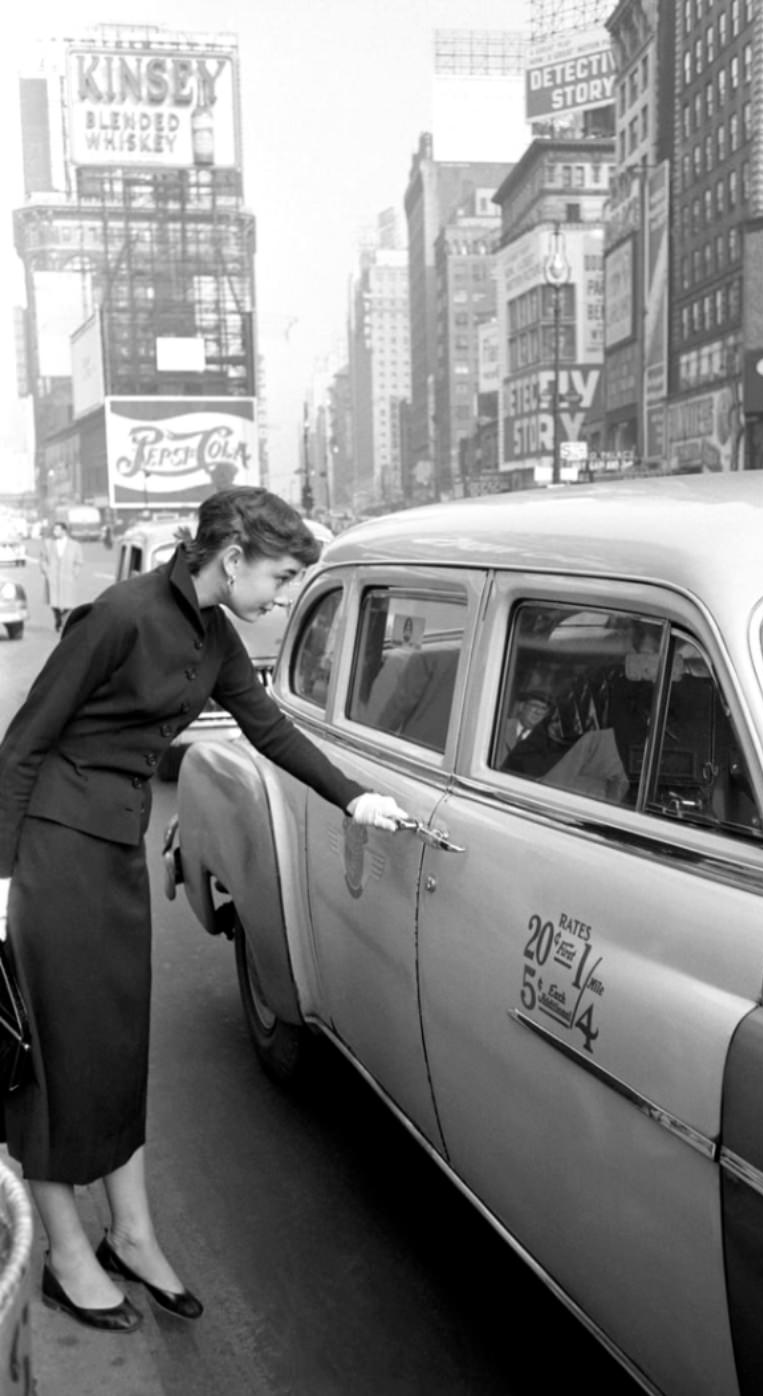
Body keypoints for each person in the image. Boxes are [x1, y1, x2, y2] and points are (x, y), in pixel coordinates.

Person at [0, 486, 409, 1334]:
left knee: (115, 1046)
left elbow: (269, 730)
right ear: (233, 558)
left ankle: (135, 1236)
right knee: (55, 1055)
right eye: (282, 576)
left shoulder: (216, 637)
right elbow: (23, 744)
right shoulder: (118, 615)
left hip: (112, 853)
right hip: (49, 857)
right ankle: (67, 1256)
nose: (285, 595)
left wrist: (355, 799)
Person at [39, 521, 83, 632]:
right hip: (53, 577)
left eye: (57, 530)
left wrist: (74, 573)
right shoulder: (48, 544)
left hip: (68, 577)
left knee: (68, 603)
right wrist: (46, 571)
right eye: (54, 530)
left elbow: (79, 561)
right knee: (53, 602)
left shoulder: (75, 545)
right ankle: (57, 618)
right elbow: (43, 559)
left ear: (64, 531)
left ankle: (63, 619)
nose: (55, 532)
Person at [496, 688, 553, 766]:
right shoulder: (500, 726)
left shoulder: (545, 744)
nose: (538, 712)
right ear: (521, 706)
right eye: (535, 705)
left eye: (543, 709)